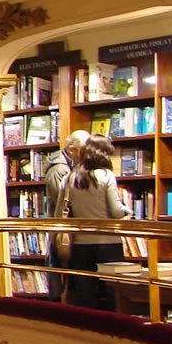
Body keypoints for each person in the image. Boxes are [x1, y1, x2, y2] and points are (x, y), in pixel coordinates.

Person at [57, 133, 131, 310]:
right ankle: (112, 332)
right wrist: (128, 210)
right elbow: (115, 211)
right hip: (108, 243)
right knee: (114, 294)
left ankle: (87, 334)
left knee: (85, 297)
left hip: (81, 245)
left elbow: (63, 210)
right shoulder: (106, 175)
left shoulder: (71, 177)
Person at [44, 129, 89, 299]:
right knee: (62, 281)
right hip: (63, 232)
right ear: (72, 150)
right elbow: (61, 203)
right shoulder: (59, 170)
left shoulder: (69, 166)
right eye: (84, 150)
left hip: (67, 231)